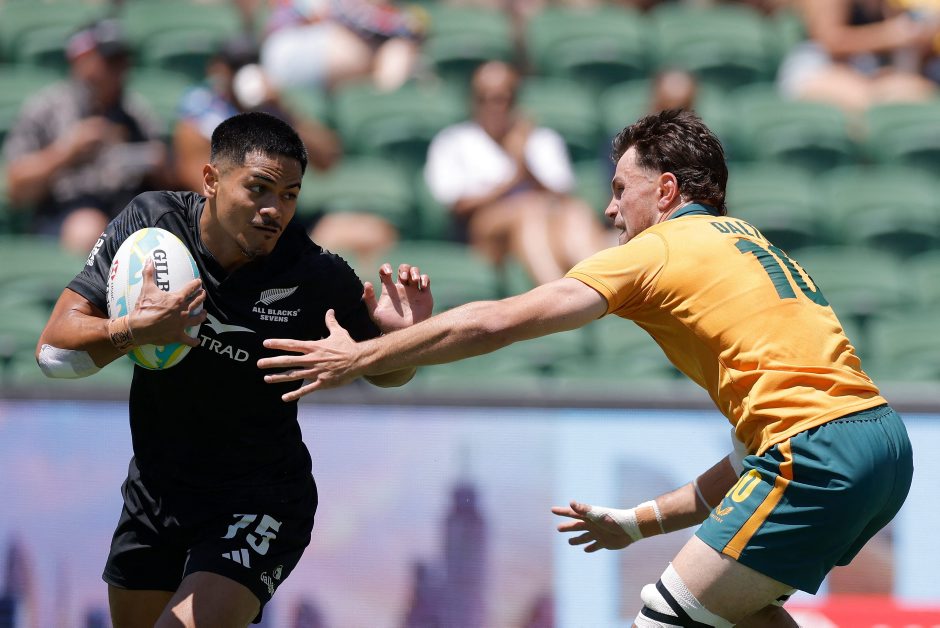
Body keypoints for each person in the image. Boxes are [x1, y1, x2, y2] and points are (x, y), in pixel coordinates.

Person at [257, 109, 913, 627]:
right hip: (879, 445)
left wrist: (362, 356)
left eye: (620, 189)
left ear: (665, 190)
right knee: (739, 613)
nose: (609, 209)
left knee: (663, 618)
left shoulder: (660, 248)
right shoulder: (747, 243)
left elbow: (499, 321)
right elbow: (752, 460)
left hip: (815, 451)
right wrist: (636, 523)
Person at [35, 111, 433, 626]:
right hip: (156, 493)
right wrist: (134, 330)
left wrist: (402, 341)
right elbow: (53, 351)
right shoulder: (151, 226)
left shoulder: (315, 274)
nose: (274, 210)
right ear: (211, 179)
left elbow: (387, 374)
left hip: (261, 500)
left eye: (289, 194)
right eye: (259, 188)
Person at [424, 60, 608, 286]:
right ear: (473, 101)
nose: (496, 106)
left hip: (548, 214)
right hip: (484, 228)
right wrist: (513, 179)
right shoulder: (454, 141)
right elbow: (459, 206)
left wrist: (526, 167)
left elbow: (563, 194)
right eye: (485, 98)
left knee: (576, 212)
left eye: (505, 98)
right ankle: (555, 290)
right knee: (530, 210)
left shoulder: (541, 138)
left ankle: (605, 288)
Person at [3, 19, 170, 255]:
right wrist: (66, 153)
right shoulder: (47, 108)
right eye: (109, 61)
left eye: (123, 61)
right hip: (64, 215)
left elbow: (168, 178)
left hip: (128, 212)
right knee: (88, 227)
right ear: (80, 60)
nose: (119, 70)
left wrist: (157, 164)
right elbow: (16, 187)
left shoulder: (135, 112)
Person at [778, 0, 940, 114]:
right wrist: (890, 36)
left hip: (865, 69)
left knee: (918, 94)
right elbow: (830, 42)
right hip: (818, 67)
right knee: (868, 107)